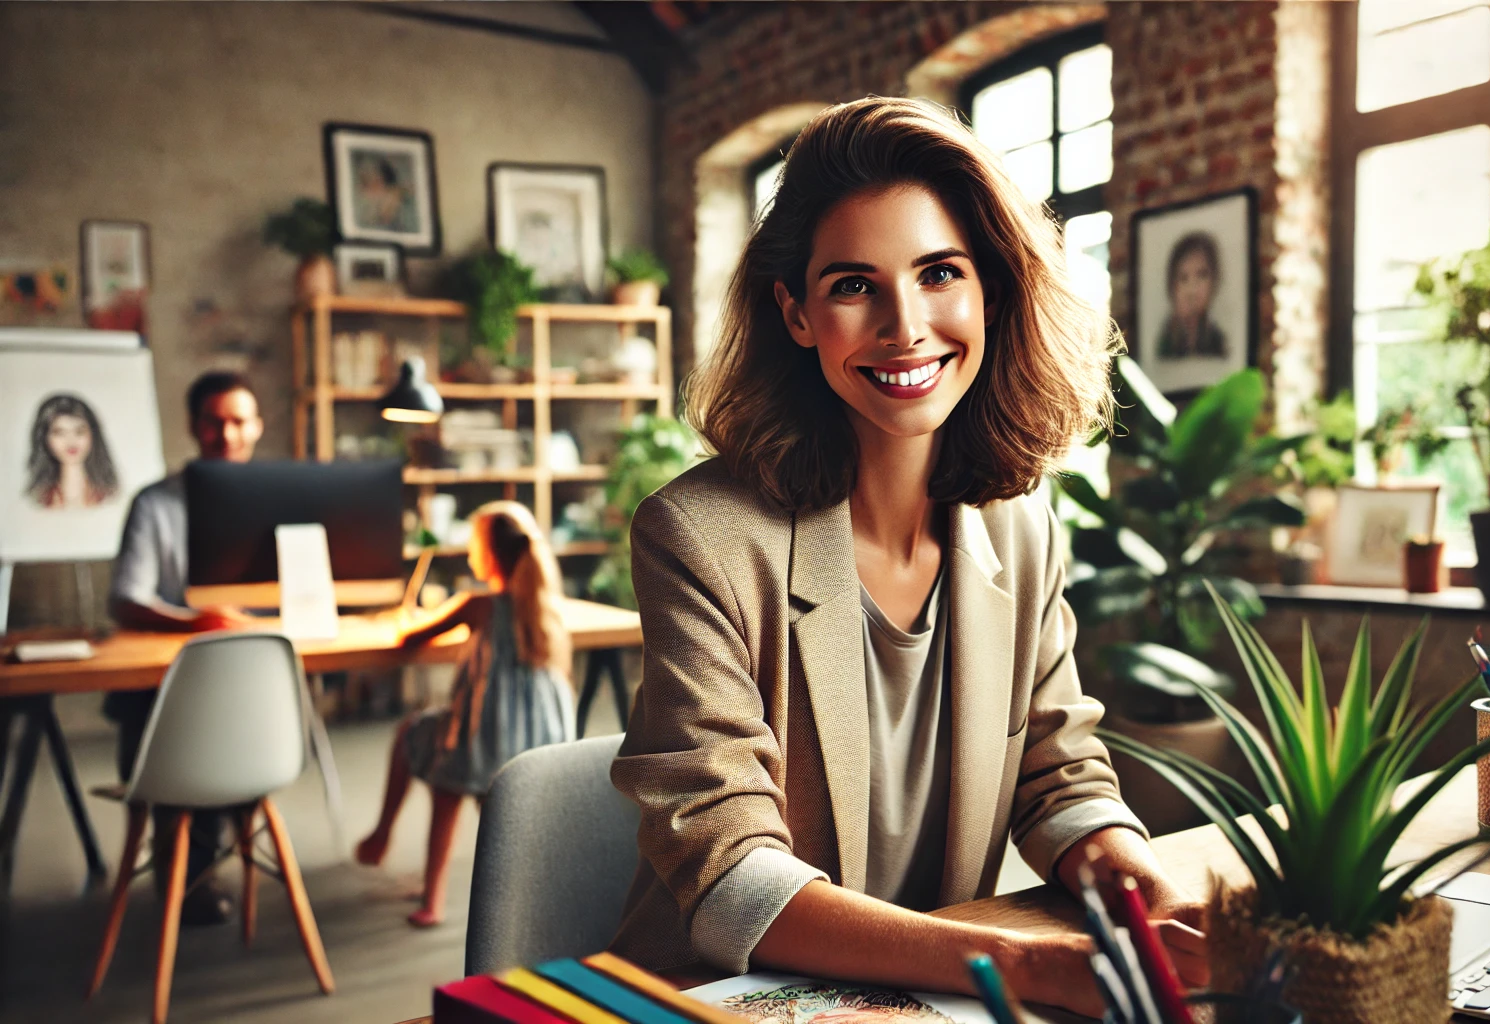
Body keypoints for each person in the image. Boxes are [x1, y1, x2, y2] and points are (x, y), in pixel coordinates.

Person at [608, 98, 1207, 1017]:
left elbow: (1059, 772)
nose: (905, 325)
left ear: (990, 292)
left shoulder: (1024, 524)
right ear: (797, 312)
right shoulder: (699, 537)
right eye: (854, 285)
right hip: (723, 998)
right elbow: (730, 873)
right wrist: (1025, 966)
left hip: (926, 1001)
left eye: (939, 273)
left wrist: (1144, 888)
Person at [354, 501, 575, 927]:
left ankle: (427, 893)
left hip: (486, 741)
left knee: (433, 759)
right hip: (541, 744)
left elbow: (411, 638)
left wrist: (409, 618)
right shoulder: (544, 605)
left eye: (475, 543)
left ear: (489, 555)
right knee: (447, 748)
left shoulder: (480, 605)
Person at [106, 370, 263, 927]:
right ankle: (191, 869)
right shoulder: (156, 505)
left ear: (257, 427)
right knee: (189, 742)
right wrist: (192, 623)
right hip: (170, 693)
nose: (227, 434)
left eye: (238, 421)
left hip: (253, 694)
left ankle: (206, 859)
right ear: (194, 427)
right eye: (214, 421)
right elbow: (125, 600)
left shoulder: (276, 500)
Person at [24, 392, 120, 508]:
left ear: (93, 434)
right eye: (59, 433)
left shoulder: (110, 496)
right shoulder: (37, 499)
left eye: (79, 432)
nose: (71, 442)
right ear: (44, 438)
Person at [1155, 231, 1228, 360]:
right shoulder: (1165, 341)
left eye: (1202, 275)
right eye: (1183, 278)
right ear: (1172, 286)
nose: (1192, 289)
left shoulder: (1216, 340)